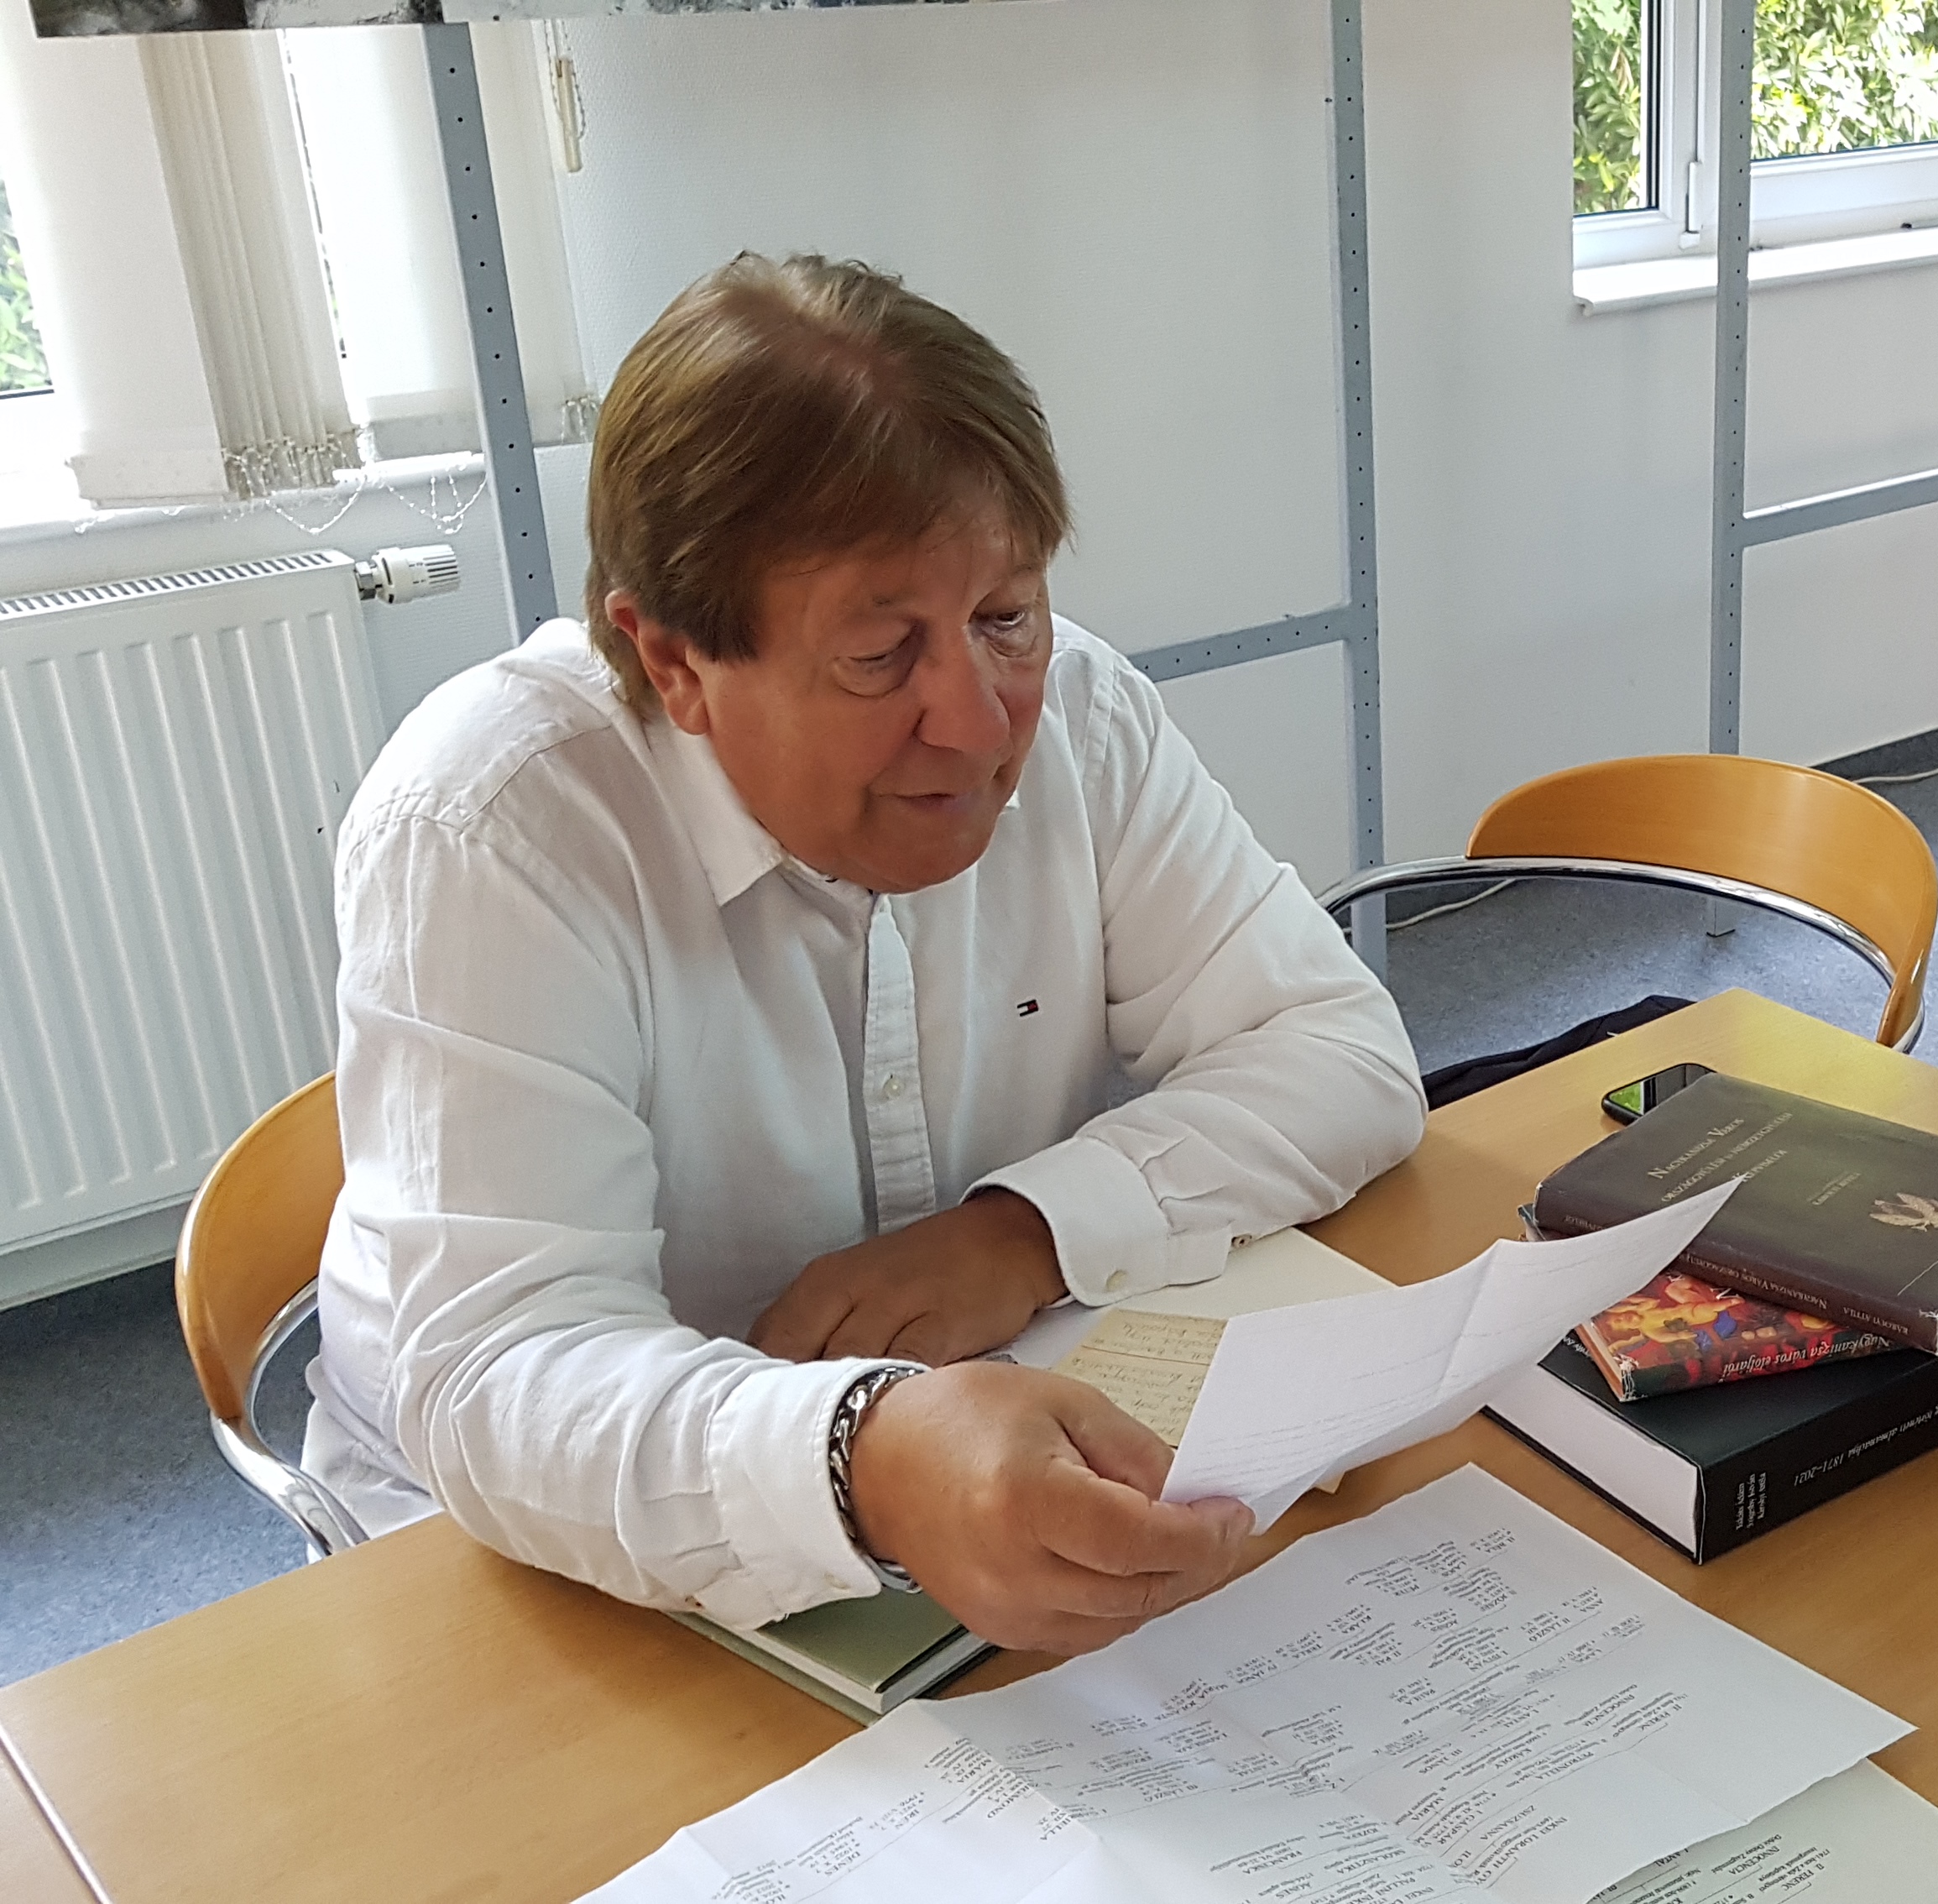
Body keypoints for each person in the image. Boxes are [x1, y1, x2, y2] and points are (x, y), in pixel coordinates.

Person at [306, 254, 1428, 1657]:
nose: (981, 721)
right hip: (519, 1560)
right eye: (882, 655)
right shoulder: (494, 826)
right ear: (673, 663)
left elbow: (1339, 1052)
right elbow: (505, 1375)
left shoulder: (1081, 714)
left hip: (969, 1451)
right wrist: (865, 1454)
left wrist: (1023, 1234)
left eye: (1005, 617)